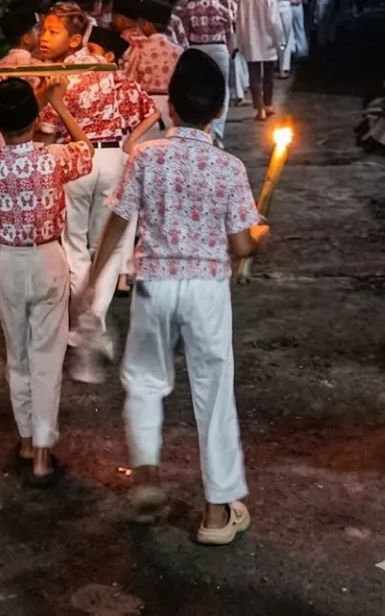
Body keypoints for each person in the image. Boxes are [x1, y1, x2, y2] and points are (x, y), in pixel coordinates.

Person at [77, 49, 269, 541]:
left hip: (155, 284)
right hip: (206, 290)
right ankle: (217, 514)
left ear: (172, 108)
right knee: (213, 392)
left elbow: (117, 222)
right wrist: (260, 235)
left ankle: (146, 473)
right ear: (220, 110)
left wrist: (93, 279)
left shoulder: (146, 157)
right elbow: (241, 245)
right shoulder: (228, 168)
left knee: (144, 382)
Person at [0, 77, 94, 485]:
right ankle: (42, 452)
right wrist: (57, 102)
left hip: (8, 262)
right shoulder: (54, 159)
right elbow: (86, 148)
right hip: (48, 257)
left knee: (17, 354)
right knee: (47, 357)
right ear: (36, 120)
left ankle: (24, 438)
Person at [37, 5, 146, 367]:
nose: (43, 37)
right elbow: (146, 110)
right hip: (114, 159)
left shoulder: (58, 76)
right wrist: (131, 143)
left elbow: (47, 130)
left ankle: (85, 322)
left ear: (73, 39)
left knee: (74, 245)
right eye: (44, 30)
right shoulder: (107, 69)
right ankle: (94, 319)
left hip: (77, 160)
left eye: (52, 31)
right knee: (107, 247)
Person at [86, 25, 160, 314]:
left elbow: (152, 111)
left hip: (103, 154)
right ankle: (118, 278)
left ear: (109, 56)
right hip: (118, 153)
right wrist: (131, 140)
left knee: (104, 223)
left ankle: (101, 283)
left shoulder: (91, 83)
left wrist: (130, 139)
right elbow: (152, 112)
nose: (87, 56)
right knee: (120, 219)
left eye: (92, 51)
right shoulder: (123, 84)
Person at [177, 0, 235, 146]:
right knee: (223, 90)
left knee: (200, 90)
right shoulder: (222, 7)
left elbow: (184, 33)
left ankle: (204, 131)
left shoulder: (188, 8)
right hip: (219, 48)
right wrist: (231, 52)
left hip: (197, 49)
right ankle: (217, 132)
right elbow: (229, 33)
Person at [122, 0, 182, 130]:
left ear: (146, 24)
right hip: (173, 108)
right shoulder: (179, 51)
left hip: (146, 108)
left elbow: (130, 82)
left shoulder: (140, 49)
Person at [237, 0, 283, 121]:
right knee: (269, 75)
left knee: (254, 76)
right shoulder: (269, 0)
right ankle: (268, 104)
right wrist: (279, 41)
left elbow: (240, 23)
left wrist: (240, 42)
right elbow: (275, 23)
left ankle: (259, 109)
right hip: (268, 41)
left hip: (250, 41)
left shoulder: (243, 0)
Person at [263, 0, 295, 77]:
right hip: (285, 6)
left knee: (272, 36)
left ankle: (273, 64)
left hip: (270, 6)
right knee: (285, 37)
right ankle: (284, 68)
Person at [0, 0, 40, 71]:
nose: (40, 33)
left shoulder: (0, 63)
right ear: (26, 39)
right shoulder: (34, 64)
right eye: (37, 28)